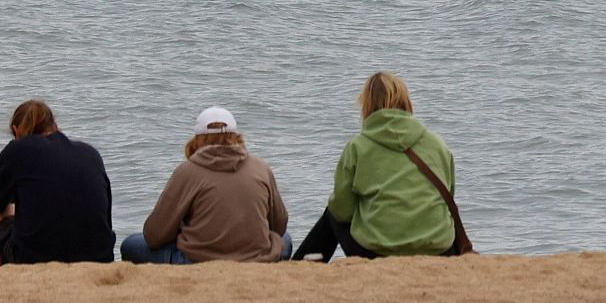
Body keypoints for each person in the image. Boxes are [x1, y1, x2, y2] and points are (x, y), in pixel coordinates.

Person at [293, 72, 463, 261]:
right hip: (438, 249)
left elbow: (342, 209)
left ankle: (300, 263)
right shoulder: (437, 144)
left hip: (376, 252)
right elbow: (449, 195)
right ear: (406, 102)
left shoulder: (357, 147)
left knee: (332, 213)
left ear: (367, 106)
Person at [120, 106, 290, 264]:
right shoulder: (261, 167)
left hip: (200, 260)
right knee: (285, 240)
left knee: (131, 244)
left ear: (196, 140)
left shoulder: (187, 171)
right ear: (237, 136)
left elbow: (154, 235)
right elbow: (279, 226)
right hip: (256, 258)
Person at [0, 99, 115, 266]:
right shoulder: (90, 153)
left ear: (16, 131)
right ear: (54, 125)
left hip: (36, 259)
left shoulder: (18, 149)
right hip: (99, 258)